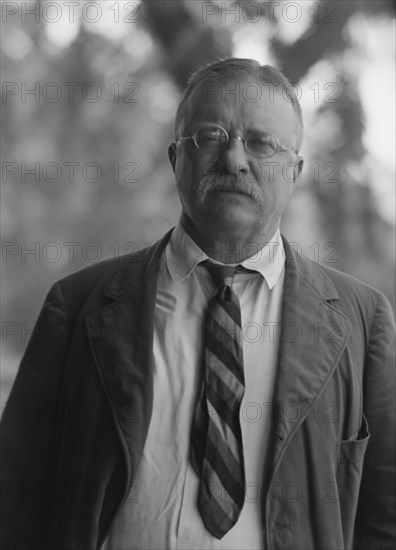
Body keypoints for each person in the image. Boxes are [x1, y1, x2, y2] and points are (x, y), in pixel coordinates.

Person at [1, 58, 395, 550]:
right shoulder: (79, 306)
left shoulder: (362, 318)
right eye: (209, 137)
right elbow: (17, 497)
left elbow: (385, 515)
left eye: (261, 142)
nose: (234, 159)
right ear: (175, 159)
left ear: (294, 170)